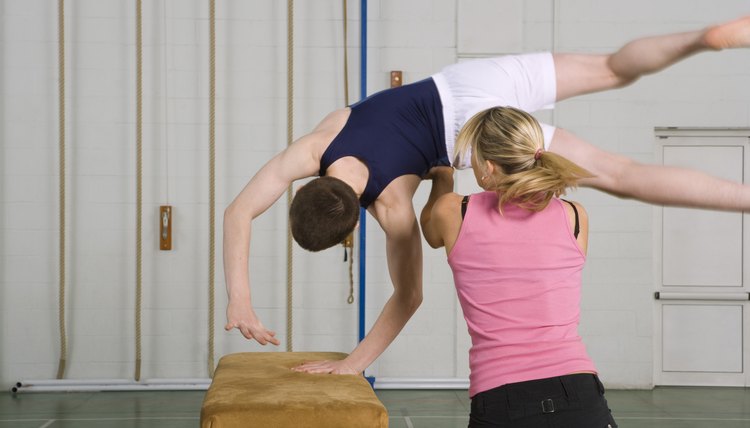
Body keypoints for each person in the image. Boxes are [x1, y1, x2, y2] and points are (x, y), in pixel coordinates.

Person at [223, 16, 750, 375]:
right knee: (613, 67)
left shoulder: (393, 209)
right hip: (465, 84)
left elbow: (409, 298)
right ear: (309, 184)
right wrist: (238, 296)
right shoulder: (315, 144)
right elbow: (239, 211)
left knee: (622, 175)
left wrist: (350, 362)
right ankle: (703, 39)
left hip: (476, 138)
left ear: (353, 228)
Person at [420, 106, 613, 427]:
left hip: (502, 396)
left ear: (489, 168)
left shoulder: (455, 210)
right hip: (579, 391)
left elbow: (430, 232)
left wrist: (443, 177)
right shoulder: (575, 215)